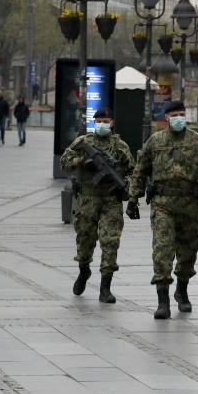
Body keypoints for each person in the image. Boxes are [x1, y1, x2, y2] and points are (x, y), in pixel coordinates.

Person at [127, 100, 198, 319]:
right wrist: (133, 198)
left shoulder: (197, 141)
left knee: (188, 252)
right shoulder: (155, 141)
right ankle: (163, 300)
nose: (179, 117)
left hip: (189, 204)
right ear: (166, 118)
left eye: (182, 113)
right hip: (163, 204)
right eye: (174, 114)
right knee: (162, 250)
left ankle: (182, 288)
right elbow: (140, 171)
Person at [60, 109, 134, 303]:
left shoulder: (120, 146)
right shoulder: (84, 142)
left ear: (112, 123)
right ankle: (84, 271)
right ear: (94, 122)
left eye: (105, 120)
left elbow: (133, 172)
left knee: (110, 242)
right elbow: (64, 162)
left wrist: (127, 188)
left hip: (111, 200)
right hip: (88, 199)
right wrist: (84, 161)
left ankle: (105, 288)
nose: (102, 123)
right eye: (98, 120)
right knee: (84, 240)